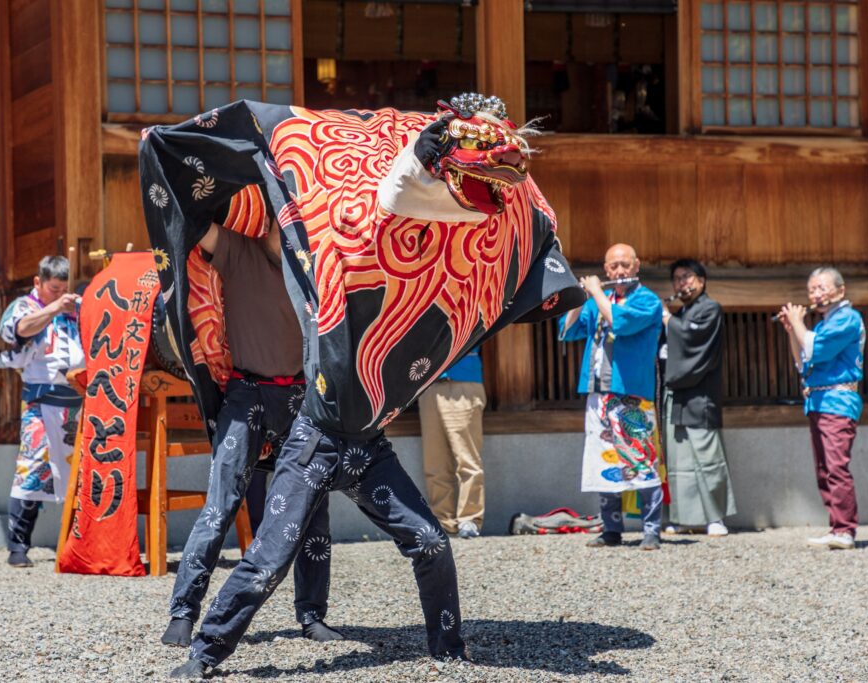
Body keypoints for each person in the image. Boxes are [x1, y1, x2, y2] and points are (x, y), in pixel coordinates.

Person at [139, 94, 584, 678]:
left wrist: (472, 146)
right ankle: (202, 651)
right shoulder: (327, 249)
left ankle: (446, 649)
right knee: (267, 553)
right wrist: (418, 158)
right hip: (313, 431)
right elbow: (386, 201)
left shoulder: (377, 263)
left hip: (366, 439)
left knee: (428, 543)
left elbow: (438, 210)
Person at [161, 213, 343, 648]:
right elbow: (190, 221)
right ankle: (184, 611)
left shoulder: (313, 266)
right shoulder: (238, 249)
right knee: (220, 505)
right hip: (246, 394)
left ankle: (312, 614)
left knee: (313, 511)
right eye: (286, 220)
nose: (295, 229)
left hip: (301, 398)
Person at [561, 243, 664, 550]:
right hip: (598, 393)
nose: (619, 271)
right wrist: (579, 298)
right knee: (603, 461)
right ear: (606, 270)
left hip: (632, 393)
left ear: (637, 265)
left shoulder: (648, 300)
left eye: (625, 265)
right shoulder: (597, 299)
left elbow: (620, 321)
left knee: (642, 459)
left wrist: (594, 293)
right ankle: (611, 529)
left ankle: (651, 529)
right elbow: (568, 331)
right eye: (613, 266)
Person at [0, 255, 84, 567]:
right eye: (53, 288)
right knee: (33, 470)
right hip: (41, 401)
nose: (59, 293)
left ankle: (78, 544)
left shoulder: (75, 305)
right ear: (38, 283)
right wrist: (53, 308)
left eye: (63, 288)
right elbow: (17, 331)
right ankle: (18, 547)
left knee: (82, 473)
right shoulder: (27, 306)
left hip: (78, 402)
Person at [777, 267, 864, 550]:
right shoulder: (824, 324)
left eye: (822, 288)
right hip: (817, 401)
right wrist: (793, 330)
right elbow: (803, 362)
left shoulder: (849, 319)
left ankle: (845, 529)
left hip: (838, 402)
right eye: (812, 289)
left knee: (836, 466)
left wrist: (799, 324)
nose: (816, 294)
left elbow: (815, 349)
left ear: (841, 290)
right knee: (824, 467)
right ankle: (837, 526)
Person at [660, 258, 736, 536]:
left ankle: (715, 517)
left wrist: (668, 319)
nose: (683, 283)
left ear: (702, 281)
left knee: (707, 459)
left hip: (700, 397)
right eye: (677, 278)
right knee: (678, 463)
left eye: (688, 277)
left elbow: (693, 343)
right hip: (677, 397)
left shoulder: (710, 309)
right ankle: (681, 518)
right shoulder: (682, 314)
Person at [418, 347, 486, 539]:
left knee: (468, 459)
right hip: (429, 384)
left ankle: (470, 519)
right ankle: (442, 521)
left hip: (463, 382)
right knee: (434, 462)